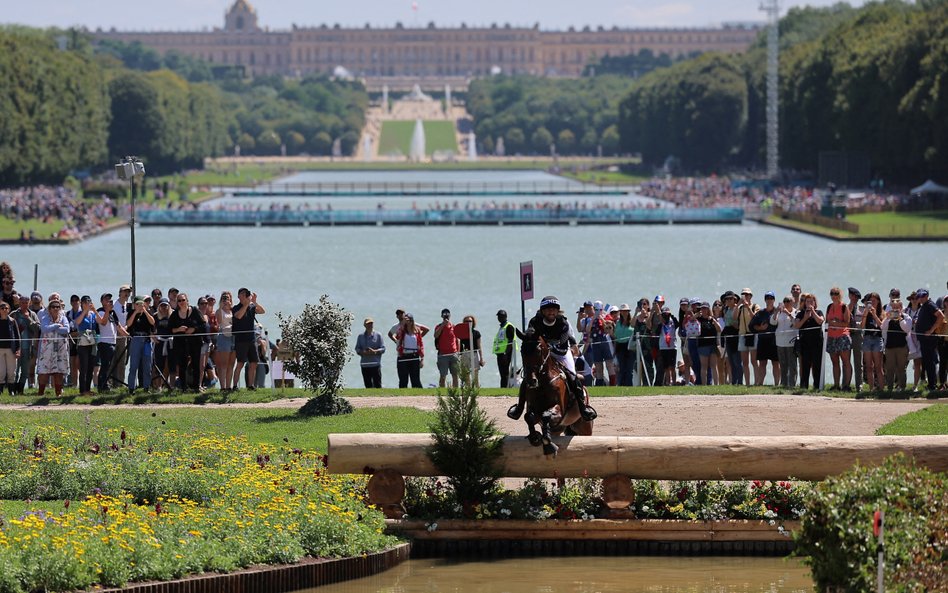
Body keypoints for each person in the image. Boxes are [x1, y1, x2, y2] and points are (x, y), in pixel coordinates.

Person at [506, 296, 596, 422]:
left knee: (572, 376)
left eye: (554, 310)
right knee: (528, 376)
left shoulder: (563, 323)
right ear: (542, 311)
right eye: (548, 310)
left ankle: (583, 408)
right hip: (542, 352)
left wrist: (549, 349)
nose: (551, 312)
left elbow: (563, 346)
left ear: (557, 311)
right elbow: (531, 337)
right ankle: (519, 408)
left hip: (561, 353)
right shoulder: (535, 321)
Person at [169, 293, 204, 392]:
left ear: (187, 300)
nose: (181, 302)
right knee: (182, 365)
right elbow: (169, 329)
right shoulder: (175, 314)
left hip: (195, 342)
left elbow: (203, 325)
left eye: (183, 300)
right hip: (180, 343)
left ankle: (196, 387)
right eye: (179, 301)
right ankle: (183, 387)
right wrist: (178, 329)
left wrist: (193, 329)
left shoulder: (195, 311)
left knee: (196, 365)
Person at [232, 288, 265, 390]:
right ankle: (235, 386)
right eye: (241, 294)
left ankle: (250, 385)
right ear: (238, 296)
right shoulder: (236, 307)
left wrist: (254, 302)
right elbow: (239, 316)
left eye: (245, 295)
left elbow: (262, 311)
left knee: (253, 362)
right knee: (240, 363)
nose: (243, 296)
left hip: (251, 339)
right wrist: (246, 304)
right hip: (241, 340)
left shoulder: (251, 307)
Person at [36, 297, 71, 397]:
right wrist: (57, 326)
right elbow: (44, 329)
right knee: (44, 371)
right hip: (47, 349)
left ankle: (58, 393)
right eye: (53, 307)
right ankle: (40, 393)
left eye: (57, 307)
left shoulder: (64, 318)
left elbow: (66, 330)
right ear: (49, 308)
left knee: (59, 371)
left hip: (61, 349)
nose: (56, 308)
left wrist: (54, 327)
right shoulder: (45, 318)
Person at [913, 288, 945, 395]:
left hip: (929, 339)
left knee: (930, 362)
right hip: (924, 339)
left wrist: (931, 330)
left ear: (926, 296)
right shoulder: (924, 306)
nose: (920, 298)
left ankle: (932, 385)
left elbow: (941, 316)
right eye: (919, 296)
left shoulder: (930, 304)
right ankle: (932, 384)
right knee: (927, 362)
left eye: (922, 296)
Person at [793, 293, 825, 390]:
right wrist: (805, 318)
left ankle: (817, 386)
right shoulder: (800, 313)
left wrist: (813, 313)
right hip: (805, 343)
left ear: (815, 303)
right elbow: (797, 325)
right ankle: (804, 386)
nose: (810, 303)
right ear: (805, 303)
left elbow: (820, 321)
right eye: (808, 301)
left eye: (812, 301)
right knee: (805, 365)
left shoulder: (819, 312)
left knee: (817, 365)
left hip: (817, 343)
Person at [125, 295, 155, 393]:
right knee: (134, 365)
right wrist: (135, 313)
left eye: (141, 304)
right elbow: (128, 324)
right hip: (136, 339)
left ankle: (146, 387)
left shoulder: (148, 313)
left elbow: (152, 322)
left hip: (146, 340)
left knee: (147, 365)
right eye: (137, 304)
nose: (140, 306)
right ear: (134, 305)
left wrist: (145, 311)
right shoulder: (131, 313)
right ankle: (131, 388)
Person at [825, 287, 853, 390]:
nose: (834, 296)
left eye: (836, 293)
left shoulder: (844, 307)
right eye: (832, 293)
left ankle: (846, 385)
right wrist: (830, 323)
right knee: (835, 362)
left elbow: (847, 322)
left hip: (843, 336)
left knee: (846, 362)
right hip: (832, 337)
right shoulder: (829, 307)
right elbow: (827, 321)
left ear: (840, 295)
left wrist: (837, 323)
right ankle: (836, 385)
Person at [11, 294, 39, 394]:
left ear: (29, 303)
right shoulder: (14, 314)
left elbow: (38, 329)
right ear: (19, 303)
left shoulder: (32, 315)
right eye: (22, 303)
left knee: (25, 371)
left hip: (28, 347)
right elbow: (8, 327)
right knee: (15, 370)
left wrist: (29, 319)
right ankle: (13, 389)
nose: (24, 305)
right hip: (16, 348)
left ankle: (21, 389)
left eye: (26, 303)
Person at [881, 298, 910, 392]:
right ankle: (889, 388)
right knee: (889, 368)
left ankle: (902, 387)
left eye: (897, 308)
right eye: (893, 307)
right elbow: (883, 328)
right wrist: (888, 319)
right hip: (890, 347)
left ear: (901, 308)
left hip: (902, 347)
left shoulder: (906, 317)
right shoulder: (888, 318)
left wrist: (900, 319)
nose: (895, 310)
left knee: (901, 368)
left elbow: (907, 329)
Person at [752, 291, 780, 385]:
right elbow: (752, 326)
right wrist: (760, 328)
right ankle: (760, 383)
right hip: (763, 341)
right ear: (765, 300)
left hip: (774, 341)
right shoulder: (760, 313)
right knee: (762, 363)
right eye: (767, 298)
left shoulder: (778, 311)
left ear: (774, 300)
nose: (769, 300)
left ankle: (777, 384)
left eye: (771, 298)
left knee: (776, 364)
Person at [859, 292, 885, 392]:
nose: (872, 303)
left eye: (874, 301)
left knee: (878, 367)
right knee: (869, 367)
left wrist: (874, 315)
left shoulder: (881, 312)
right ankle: (871, 389)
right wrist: (865, 314)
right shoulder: (866, 312)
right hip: (867, 339)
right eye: (870, 301)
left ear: (878, 301)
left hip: (877, 340)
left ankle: (882, 389)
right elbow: (862, 327)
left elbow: (882, 326)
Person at [73, 296, 98, 396]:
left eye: (90, 302)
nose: (88, 304)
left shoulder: (92, 315)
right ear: (82, 304)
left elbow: (99, 322)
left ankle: (88, 388)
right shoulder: (79, 313)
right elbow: (77, 322)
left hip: (92, 342)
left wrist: (94, 311)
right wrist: (84, 311)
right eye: (86, 302)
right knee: (83, 367)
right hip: (83, 342)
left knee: (91, 367)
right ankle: (82, 390)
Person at [771, 295, 798, 387]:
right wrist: (776, 312)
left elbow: (796, 323)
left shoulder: (796, 312)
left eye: (789, 301)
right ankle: (784, 383)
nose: (786, 303)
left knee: (792, 364)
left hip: (791, 342)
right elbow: (773, 322)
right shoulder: (780, 313)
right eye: (785, 301)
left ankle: (792, 384)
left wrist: (788, 313)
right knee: (783, 364)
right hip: (780, 341)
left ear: (793, 302)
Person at [95, 293, 120, 393]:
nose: (109, 301)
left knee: (108, 365)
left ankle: (105, 384)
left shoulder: (112, 313)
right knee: (105, 365)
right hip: (104, 342)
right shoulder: (100, 312)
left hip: (112, 342)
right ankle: (102, 386)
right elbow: (103, 322)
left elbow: (118, 326)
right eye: (106, 299)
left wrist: (128, 334)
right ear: (102, 301)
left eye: (110, 300)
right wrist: (107, 311)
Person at [736, 288, 760, 385]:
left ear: (750, 296)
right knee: (745, 362)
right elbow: (734, 317)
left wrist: (748, 307)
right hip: (742, 335)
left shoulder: (755, 306)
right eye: (743, 294)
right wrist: (738, 305)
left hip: (752, 335)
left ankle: (757, 382)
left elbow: (756, 318)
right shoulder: (740, 308)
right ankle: (747, 383)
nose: (745, 296)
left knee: (754, 361)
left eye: (747, 294)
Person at [395, 312, 424, 388]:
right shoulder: (401, 331)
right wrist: (403, 323)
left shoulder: (417, 331)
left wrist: (422, 359)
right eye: (406, 320)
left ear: (412, 321)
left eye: (409, 320)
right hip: (403, 356)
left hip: (414, 356)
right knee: (403, 380)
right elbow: (397, 336)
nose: (407, 322)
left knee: (415, 380)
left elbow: (421, 345)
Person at [215, 291, 236, 392]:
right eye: (223, 298)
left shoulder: (233, 310)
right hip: (224, 336)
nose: (226, 300)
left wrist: (231, 307)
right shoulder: (219, 311)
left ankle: (229, 386)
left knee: (231, 364)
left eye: (227, 298)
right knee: (223, 364)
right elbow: (219, 322)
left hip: (233, 337)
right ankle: (223, 387)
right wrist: (221, 307)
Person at [433, 308, 460, 389]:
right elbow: (436, 335)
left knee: (455, 375)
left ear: (450, 315)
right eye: (444, 315)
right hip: (443, 355)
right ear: (441, 316)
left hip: (454, 354)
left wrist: (458, 352)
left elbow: (457, 340)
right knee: (443, 375)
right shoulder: (438, 326)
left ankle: (455, 391)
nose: (446, 316)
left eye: (447, 314)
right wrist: (443, 325)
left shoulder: (454, 327)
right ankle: (442, 392)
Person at [493, 309, 520, 388]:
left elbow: (510, 341)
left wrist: (506, 353)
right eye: (498, 316)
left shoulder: (508, 326)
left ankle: (505, 388)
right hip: (500, 353)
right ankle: (503, 387)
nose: (499, 318)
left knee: (504, 373)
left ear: (505, 317)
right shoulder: (502, 327)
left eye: (501, 316)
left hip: (506, 353)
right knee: (502, 373)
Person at [355, 317, 386, 388]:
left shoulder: (378, 335)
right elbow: (357, 349)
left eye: (371, 323)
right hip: (365, 364)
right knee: (368, 385)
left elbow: (383, 349)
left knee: (378, 385)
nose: (370, 325)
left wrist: (374, 351)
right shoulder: (360, 336)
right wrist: (363, 352)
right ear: (365, 325)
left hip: (375, 364)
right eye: (368, 324)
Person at [695, 302, 721, 385]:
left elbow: (719, 329)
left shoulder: (712, 319)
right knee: (704, 366)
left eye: (706, 308)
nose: (704, 310)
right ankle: (704, 384)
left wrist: (714, 320)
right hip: (702, 345)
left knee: (714, 365)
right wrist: (696, 315)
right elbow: (690, 320)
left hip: (712, 345)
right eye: (702, 308)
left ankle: (716, 384)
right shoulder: (699, 319)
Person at [455, 314, 484, 387]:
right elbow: (457, 343)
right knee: (466, 375)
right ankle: (469, 389)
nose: (468, 323)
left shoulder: (476, 333)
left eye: (470, 321)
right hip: (464, 354)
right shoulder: (461, 332)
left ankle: (476, 390)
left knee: (475, 374)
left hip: (474, 354)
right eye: (466, 321)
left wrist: (481, 358)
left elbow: (479, 346)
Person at [847, 287, 865, 391]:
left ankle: (859, 385)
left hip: (858, 335)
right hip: (847, 335)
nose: (853, 298)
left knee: (858, 362)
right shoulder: (845, 307)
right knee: (846, 362)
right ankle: (846, 384)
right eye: (851, 296)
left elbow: (863, 322)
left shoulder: (862, 308)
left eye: (855, 296)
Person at [0, 301, 20, 394]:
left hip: (11, 349)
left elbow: (17, 336)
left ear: (9, 310)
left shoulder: (12, 321)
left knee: (11, 371)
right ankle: (1, 391)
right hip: (0, 349)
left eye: (6, 308)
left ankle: (11, 390)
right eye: (2, 308)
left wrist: (18, 349)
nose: (4, 310)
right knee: (1, 371)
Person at [613, 304, 636, 386]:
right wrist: (614, 351)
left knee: (629, 369)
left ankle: (629, 385)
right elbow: (615, 337)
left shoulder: (632, 321)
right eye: (622, 311)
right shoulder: (618, 323)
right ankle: (621, 385)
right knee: (622, 368)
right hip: (620, 347)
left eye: (626, 311)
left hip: (630, 347)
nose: (624, 312)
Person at [657, 305, 679, 386]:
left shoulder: (673, 321)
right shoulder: (661, 323)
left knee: (672, 366)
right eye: (664, 315)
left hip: (672, 346)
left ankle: (674, 382)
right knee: (666, 367)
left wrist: (671, 315)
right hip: (663, 347)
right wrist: (661, 322)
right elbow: (656, 332)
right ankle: (667, 382)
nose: (666, 316)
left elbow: (678, 324)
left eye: (667, 315)